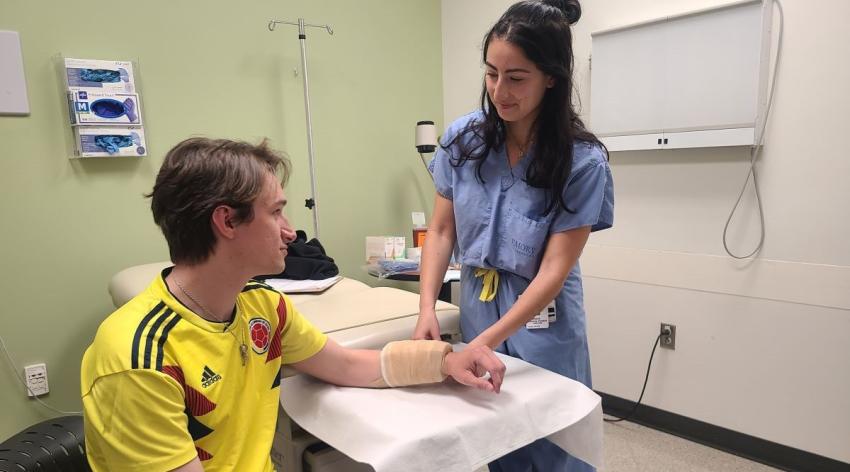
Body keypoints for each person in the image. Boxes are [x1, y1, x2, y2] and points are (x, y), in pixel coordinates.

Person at [80, 137, 506, 472]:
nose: (290, 231)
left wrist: (444, 361)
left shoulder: (263, 308)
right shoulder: (137, 361)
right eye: (277, 213)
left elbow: (348, 366)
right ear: (227, 221)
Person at [412, 0, 613, 470]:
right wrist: (427, 308)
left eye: (516, 77)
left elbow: (554, 270)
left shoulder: (582, 162)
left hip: (545, 313)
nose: (500, 91)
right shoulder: (465, 141)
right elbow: (441, 230)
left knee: (552, 434)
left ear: (551, 78)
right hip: (479, 302)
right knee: (494, 430)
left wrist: (489, 339)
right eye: (491, 74)